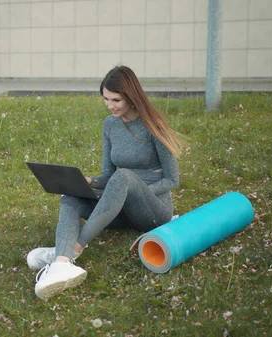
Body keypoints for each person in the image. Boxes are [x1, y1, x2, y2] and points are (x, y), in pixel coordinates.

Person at [27, 65, 184, 300]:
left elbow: (172, 179)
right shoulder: (110, 125)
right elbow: (108, 175)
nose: (111, 105)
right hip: (118, 206)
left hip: (154, 211)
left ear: (132, 97)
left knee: (124, 177)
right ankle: (62, 262)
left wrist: (132, 193)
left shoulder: (154, 126)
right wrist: (87, 181)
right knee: (71, 198)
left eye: (116, 99)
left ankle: (74, 248)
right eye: (106, 99)